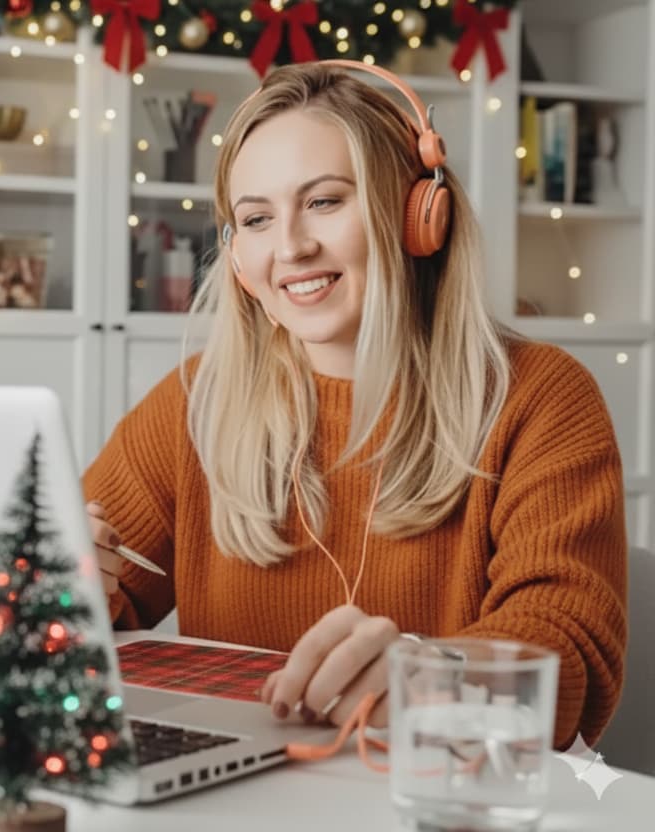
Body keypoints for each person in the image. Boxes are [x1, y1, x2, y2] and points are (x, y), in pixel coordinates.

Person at [82, 61, 627, 752]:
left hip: (437, 794)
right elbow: (90, 611)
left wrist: (424, 676)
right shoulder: (194, 402)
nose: (291, 247)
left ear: (418, 215)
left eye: (326, 201)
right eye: (256, 218)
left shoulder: (540, 397)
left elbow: (567, 651)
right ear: (237, 259)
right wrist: (73, 592)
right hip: (231, 798)